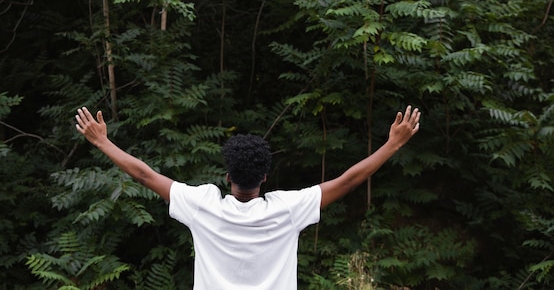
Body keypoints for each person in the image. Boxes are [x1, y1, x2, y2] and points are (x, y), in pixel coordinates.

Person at [75, 105, 421, 289]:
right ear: (265, 178)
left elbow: (144, 174)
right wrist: (393, 143)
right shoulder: (288, 210)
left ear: (227, 176)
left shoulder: (202, 205)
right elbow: (347, 181)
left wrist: (102, 141)